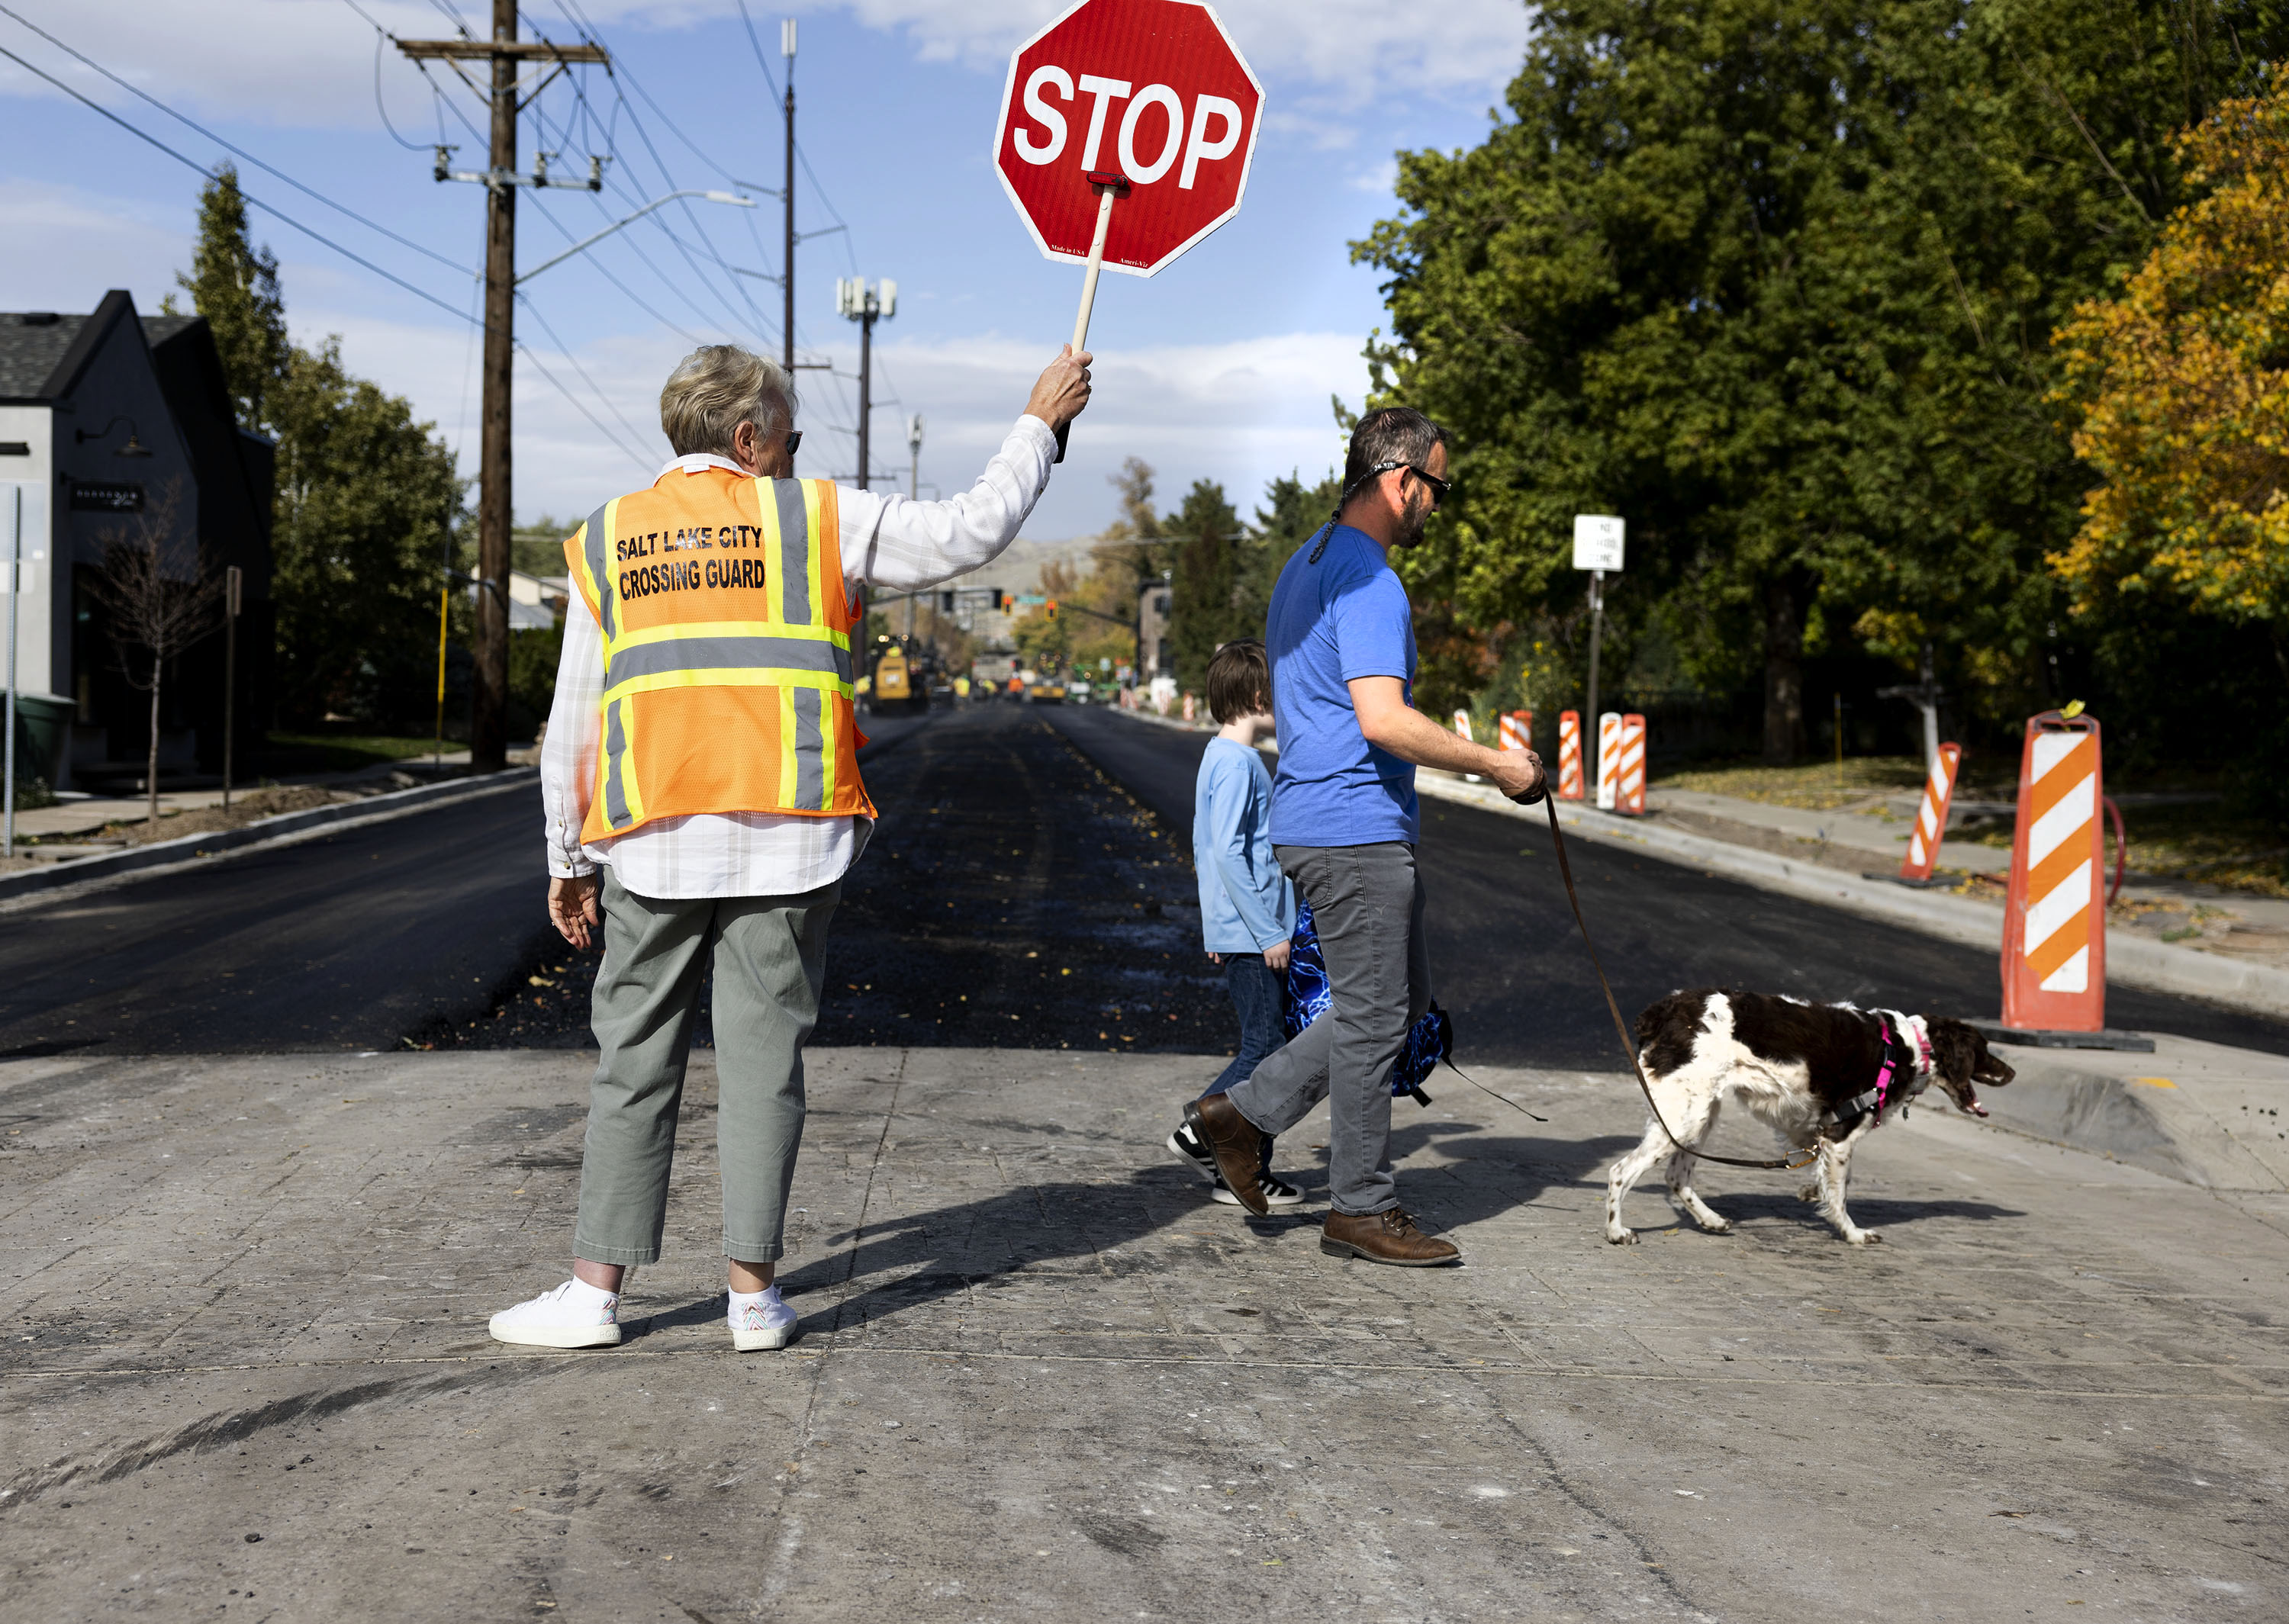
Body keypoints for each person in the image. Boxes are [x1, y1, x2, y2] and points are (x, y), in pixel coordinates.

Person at [489, 340, 1092, 1352]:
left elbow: (578, 718)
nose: (796, 449)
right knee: (765, 1066)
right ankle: (753, 1301)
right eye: (792, 433)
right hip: (789, 839)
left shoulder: (606, 540)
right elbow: (971, 530)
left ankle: (594, 1297)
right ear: (749, 436)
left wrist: (567, 857)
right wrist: (1038, 421)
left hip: (652, 842)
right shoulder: (815, 517)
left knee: (632, 1062)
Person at [1178, 407, 1544, 1266]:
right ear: (1400, 480)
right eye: (1437, 490)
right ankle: (1361, 1206)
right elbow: (1383, 720)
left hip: (1312, 817)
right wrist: (1498, 764)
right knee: (1377, 1016)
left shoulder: (1305, 563)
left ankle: (1242, 1112)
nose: (1437, 508)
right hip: (1354, 830)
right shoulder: (1371, 582)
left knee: (1393, 1002)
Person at [1167, 638, 1303, 1207]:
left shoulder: (1220, 757)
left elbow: (1205, 849)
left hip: (1241, 928)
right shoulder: (1238, 763)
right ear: (1257, 694)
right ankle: (1202, 1130)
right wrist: (1264, 930)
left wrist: (1219, 925)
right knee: (1266, 1047)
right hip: (1256, 932)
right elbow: (1225, 851)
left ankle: (1240, 1166)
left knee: (1270, 1046)